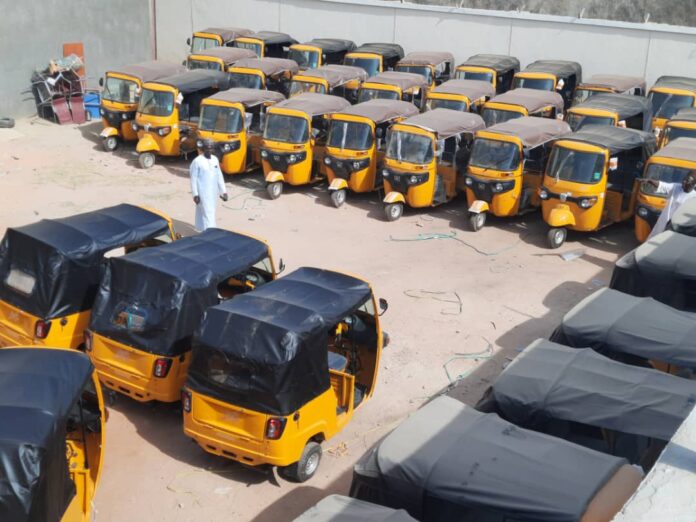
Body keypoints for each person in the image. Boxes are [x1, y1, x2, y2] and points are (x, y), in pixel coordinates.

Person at [190, 139, 228, 231]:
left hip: (213, 192)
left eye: (211, 148)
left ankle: (200, 229)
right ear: (203, 148)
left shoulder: (215, 160)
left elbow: (219, 176)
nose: (209, 150)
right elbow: (193, 179)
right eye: (207, 148)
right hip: (202, 192)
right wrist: (195, 194)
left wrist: (224, 192)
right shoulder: (197, 161)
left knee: (204, 211)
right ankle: (211, 233)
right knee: (208, 212)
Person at [645, 171, 696, 238]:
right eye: (684, 179)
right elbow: (663, 185)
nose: (684, 182)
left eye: (687, 181)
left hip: (677, 229)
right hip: (663, 222)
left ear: (694, 184)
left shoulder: (694, 197)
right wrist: (650, 181)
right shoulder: (676, 187)